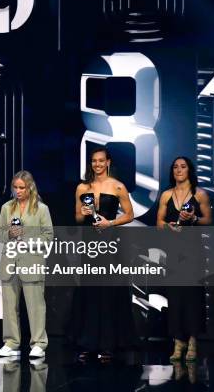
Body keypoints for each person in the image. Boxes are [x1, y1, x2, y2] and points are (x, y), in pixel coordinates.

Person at [69, 147, 135, 362]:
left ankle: (107, 344)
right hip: (89, 245)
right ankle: (88, 343)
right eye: (93, 161)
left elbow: (130, 214)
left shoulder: (117, 186)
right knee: (90, 291)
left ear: (108, 162)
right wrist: (84, 214)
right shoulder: (82, 188)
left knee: (108, 292)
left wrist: (111, 222)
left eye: (100, 161)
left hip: (110, 244)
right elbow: (78, 219)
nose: (96, 164)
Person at [156, 156, 211, 361]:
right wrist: (169, 227)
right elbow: (158, 223)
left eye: (183, 167)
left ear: (190, 170)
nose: (179, 170)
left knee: (193, 295)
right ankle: (178, 342)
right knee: (176, 296)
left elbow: (208, 221)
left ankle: (193, 341)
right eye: (175, 167)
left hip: (193, 250)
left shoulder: (200, 194)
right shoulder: (166, 195)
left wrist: (194, 219)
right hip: (173, 250)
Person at [0, 171, 54, 359]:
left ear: (30, 188)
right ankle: (11, 342)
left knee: (35, 306)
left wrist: (27, 241)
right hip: (10, 261)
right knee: (9, 306)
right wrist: (11, 234)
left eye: (22, 187)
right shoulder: (6, 208)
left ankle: (38, 343)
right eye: (16, 187)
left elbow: (48, 237)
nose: (18, 191)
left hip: (32, 261)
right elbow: (0, 234)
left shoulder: (41, 209)